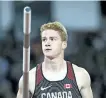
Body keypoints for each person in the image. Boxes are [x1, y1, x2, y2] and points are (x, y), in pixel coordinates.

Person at [16, 21, 93, 98]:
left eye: (52, 39)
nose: (47, 43)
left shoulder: (80, 75)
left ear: (64, 44)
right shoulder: (29, 79)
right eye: (44, 39)